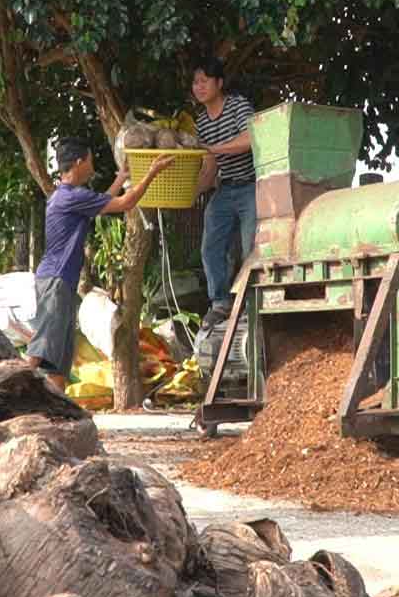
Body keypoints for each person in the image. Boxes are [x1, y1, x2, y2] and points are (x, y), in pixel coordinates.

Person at [26, 139, 174, 389]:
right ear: (79, 162)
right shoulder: (70, 197)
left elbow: (103, 202)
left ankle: (58, 413)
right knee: (43, 346)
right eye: (91, 160)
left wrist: (122, 178)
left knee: (58, 357)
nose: (92, 166)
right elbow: (125, 203)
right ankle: (4, 390)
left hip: (60, 281)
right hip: (56, 281)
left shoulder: (70, 196)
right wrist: (152, 173)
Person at [191, 57, 257, 326]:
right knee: (210, 247)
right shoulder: (201, 123)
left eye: (204, 81)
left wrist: (214, 149)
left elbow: (251, 139)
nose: (199, 87)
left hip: (253, 185)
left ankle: (252, 302)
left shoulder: (238, 105)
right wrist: (191, 193)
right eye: (195, 82)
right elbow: (209, 168)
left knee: (251, 246)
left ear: (219, 83)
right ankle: (220, 302)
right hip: (226, 188)